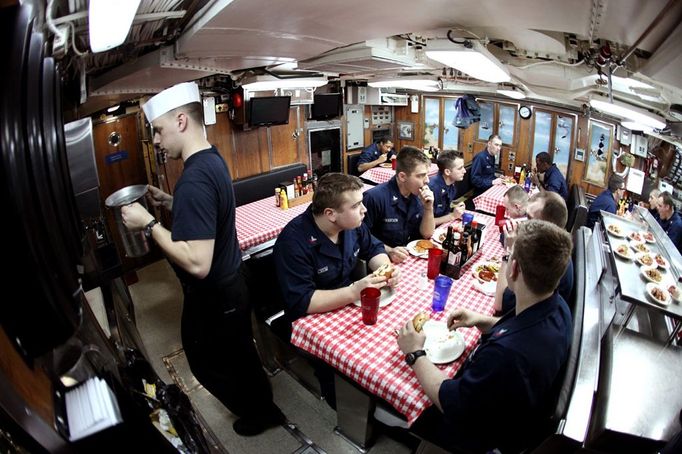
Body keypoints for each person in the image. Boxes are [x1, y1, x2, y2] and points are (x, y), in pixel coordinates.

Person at [120, 82, 284, 436]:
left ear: (181, 121)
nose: (159, 142)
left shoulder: (193, 179)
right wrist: (170, 202)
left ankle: (259, 414)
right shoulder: (211, 158)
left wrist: (148, 224)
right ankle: (265, 407)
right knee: (240, 352)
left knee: (205, 361)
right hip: (233, 282)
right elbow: (210, 214)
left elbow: (197, 262)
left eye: (159, 131)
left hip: (215, 292)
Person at [398, 220, 573, 453]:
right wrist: (483, 321)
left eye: (510, 257)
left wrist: (415, 354)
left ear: (514, 269)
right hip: (515, 411)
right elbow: (521, 328)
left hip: (480, 437)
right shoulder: (559, 306)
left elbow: (452, 403)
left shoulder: (506, 355)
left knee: (403, 392)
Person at [274, 173, 400, 321]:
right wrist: (353, 292)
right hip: (311, 319)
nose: (364, 209)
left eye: (362, 202)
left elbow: (373, 249)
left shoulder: (352, 224)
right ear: (331, 214)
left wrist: (386, 270)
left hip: (347, 306)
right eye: (356, 206)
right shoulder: (292, 243)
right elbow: (303, 300)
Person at [495, 191, 573, 313]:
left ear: (548, 226)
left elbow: (499, 304)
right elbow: (504, 236)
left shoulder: (546, 259)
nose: (523, 221)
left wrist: (509, 251)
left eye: (529, 218)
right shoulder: (554, 245)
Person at [362, 146, 435, 263]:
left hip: (413, 257)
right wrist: (389, 250)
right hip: (384, 259)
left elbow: (427, 234)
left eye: (427, 175)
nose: (427, 181)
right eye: (420, 175)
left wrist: (428, 208)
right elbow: (361, 236)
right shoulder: (374, 198)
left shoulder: (418, 194)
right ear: (402, 177)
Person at [428, 151, 466, 226]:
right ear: (447, 172)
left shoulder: (451, 184)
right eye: (460, 168)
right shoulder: (432, 189)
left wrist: (456, 207)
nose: (464, 171)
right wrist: (453, 216)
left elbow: (445, 208)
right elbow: (425, 223)